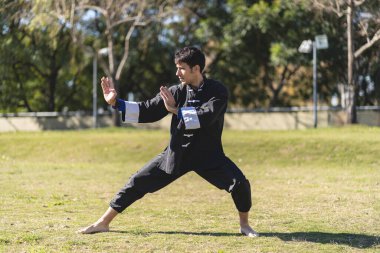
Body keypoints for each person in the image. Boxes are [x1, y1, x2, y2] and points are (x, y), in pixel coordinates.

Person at [78, 46, 258, 237]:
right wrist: (116, 103)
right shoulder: (176, 92)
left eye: (181, 68)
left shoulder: (217, 91)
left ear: (196, 69)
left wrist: (175, 110)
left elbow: (205, 117)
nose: (177, 73)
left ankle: (244, 225)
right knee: (137, 181)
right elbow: (147, 109)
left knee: (240, 185)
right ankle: (103, 222)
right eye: (176, 67)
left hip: (209, 155)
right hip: (177, 154)